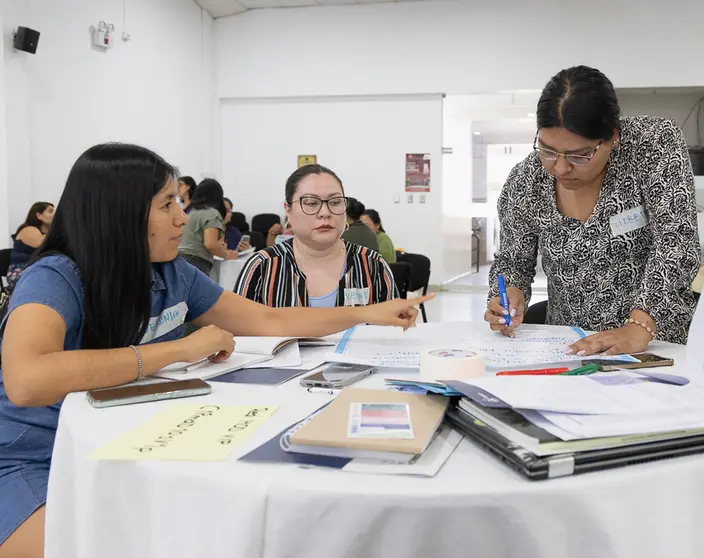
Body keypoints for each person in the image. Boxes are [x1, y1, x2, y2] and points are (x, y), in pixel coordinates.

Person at [0, 144, 430, 558]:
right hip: (35, 455)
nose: (182, 218)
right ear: (119, 212)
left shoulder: (174, 274)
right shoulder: (55, 278)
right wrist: (178, 350)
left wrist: (366, 313)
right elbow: (27, 380)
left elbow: (268, 320)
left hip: (130, 445)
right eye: (167, 204)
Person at [484, 65, 699, 355]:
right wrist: (508, 295)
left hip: (655, 344)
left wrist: (639, 327)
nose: (560, 168)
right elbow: (512, 261)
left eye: (579, 155)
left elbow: (676, 241)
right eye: (547, 150)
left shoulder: (651, 145)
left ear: (612, 137)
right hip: (571, 348)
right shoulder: (527, 180)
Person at [234, 164, 397, 308]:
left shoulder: (373, 265)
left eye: (334, 202)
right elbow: (239, 335)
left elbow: (393, 334)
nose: (325, 213)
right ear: (288, 209)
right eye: (312, 203)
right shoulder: (262, 267)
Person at [178, 178, 238, 275]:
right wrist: (227, 254)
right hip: (196, 261)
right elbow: (210, 244)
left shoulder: (191, 213)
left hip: (180, 259)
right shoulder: (211, 213)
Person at [6, 203, 54, 284]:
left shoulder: (48, 233)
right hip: (21, 270)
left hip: (39, 269)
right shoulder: (28, 229)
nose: (54, 214)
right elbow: (39, 243)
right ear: (39, 215)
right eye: (50, 211)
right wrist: (57, 227)